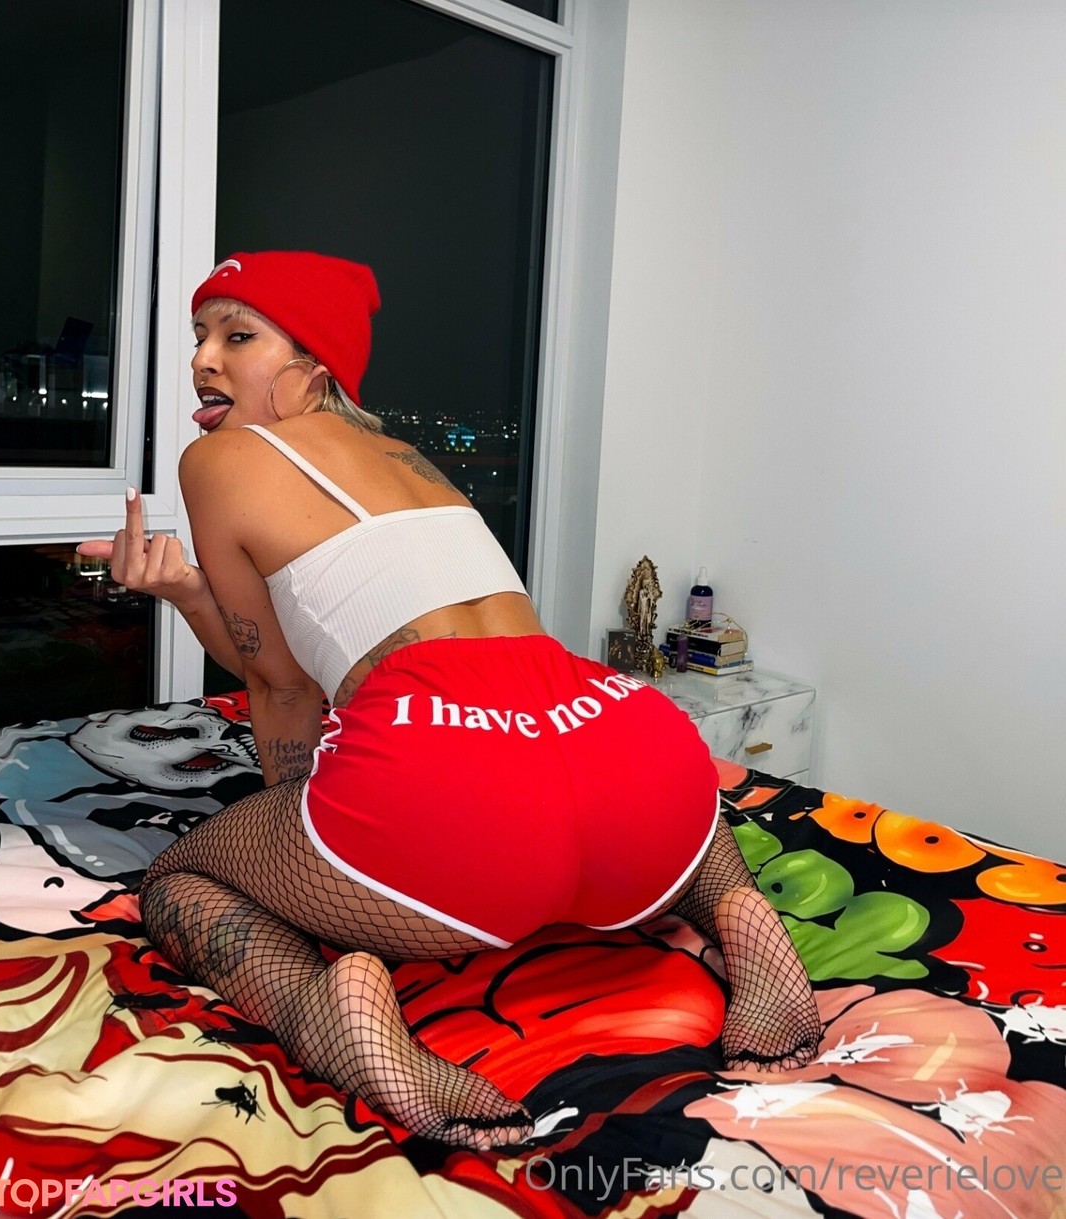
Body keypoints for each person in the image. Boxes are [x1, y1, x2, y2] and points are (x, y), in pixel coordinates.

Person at [80, 251, 821, 1152]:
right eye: (200, 336)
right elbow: (291, 646)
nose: (203, 359)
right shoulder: (411, 458)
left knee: (178, 882)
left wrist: (306, 846)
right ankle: (741, 914)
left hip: (455, 793)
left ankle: (324, 1012)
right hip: (622, 739)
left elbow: (280, 682)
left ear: (313, 368)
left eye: (238, 337)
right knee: (653, 782)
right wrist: (192, 592)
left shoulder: (219, 457)